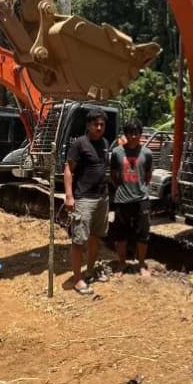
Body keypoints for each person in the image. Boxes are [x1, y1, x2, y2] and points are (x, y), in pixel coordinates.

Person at [63, 108, 111, 295]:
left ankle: (90, 271)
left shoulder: (105, 143)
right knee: (79, 240)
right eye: (95, 124)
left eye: (102, 124)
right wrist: (69, 196)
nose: (99, 127)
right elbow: (68, 169)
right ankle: (77, 279)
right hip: (84, 198)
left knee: (95, 237)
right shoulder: (79, 144)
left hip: (102, 197)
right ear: (88, 125)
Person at [109, 118, 154, 277]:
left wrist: (139, 188)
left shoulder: (147, 153)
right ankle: (122, 263)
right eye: (129, 133)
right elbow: (113, 175)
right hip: (122, 200)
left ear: (140, 134)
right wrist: (122, 188)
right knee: (121, 234)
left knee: (143, 234)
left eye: (136, 133)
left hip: (142, 200)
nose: (133, 136)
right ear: (125, 134)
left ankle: (141, 264)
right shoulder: (117, 152)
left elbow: (148, 176)